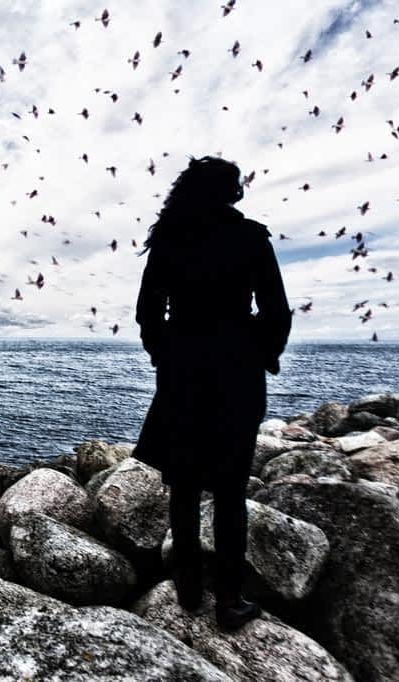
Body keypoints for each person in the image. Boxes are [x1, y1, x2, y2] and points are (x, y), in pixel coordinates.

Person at [131, 155, 292, 631]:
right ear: (230, 191)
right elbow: (276, 310)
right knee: (229, 490)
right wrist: (263, 353)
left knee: (182, 483)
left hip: (182, 371)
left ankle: (187, 586)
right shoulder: (249, 237)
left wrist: (164, 353)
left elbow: (147, 312)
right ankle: (228, 600)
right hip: (236, 371)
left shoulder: (168, 239)